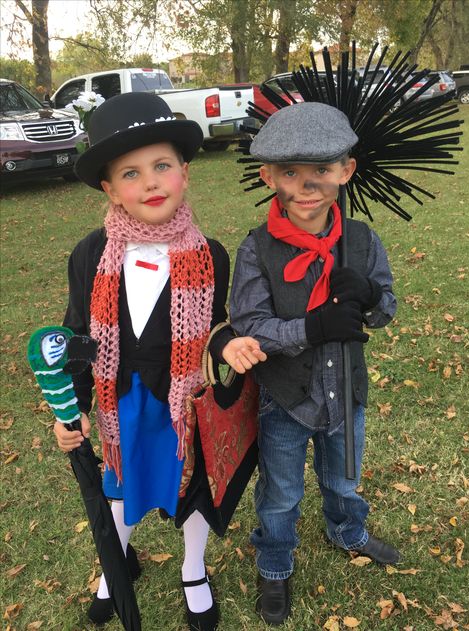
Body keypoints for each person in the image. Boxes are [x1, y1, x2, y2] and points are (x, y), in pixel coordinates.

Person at [53, 91, 266, 630]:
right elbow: (77, 332)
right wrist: (69, 407)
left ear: (185, 174)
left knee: (191, 489)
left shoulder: (209, 253)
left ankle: (194, 568)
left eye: (162, 166)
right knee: (121, 487)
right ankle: (115, 566)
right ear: (110, 189)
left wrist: (227, 344)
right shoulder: (88, 254)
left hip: (184, 400)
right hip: (121, 400)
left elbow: (215, 324)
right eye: (131, 173)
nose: (150, 182)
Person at [229, 102, 400, 626]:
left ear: (346, 171)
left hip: (345, 392)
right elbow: (250, 326)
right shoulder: (257, 249)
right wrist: (312, 327)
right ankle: (275, 565)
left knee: (343, 478)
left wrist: (370, 294)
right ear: (268, 175)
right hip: (286, 399)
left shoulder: (363, 241)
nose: (307, 186)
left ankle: (347, 530)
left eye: (322, 171)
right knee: (280, 493)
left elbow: (385, 310)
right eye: (291, 173)